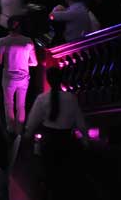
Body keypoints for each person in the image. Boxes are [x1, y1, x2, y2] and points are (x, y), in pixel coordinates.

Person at [24, 65, 88, 199]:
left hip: (49, 144)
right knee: (64, 181)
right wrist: (85, 140)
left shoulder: (42, 99)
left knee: (49, 179)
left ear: (48, 80)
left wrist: (27, 137)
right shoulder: (71, 98)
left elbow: (32, 122)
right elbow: (80, 122)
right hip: (67, 143)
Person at [0, 17, 38, 127]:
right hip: (23, 78)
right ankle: (19, 130)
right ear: (20, 27)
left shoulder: (2, 41)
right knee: (21, 106)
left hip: (8, 78)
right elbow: (35, 63)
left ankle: (10, 129)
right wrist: (24, 62)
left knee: (8, 104)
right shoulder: (28, 41)